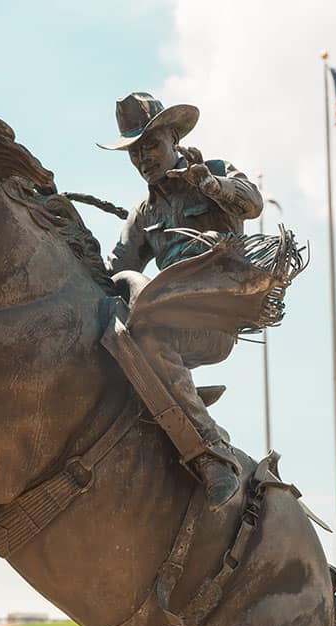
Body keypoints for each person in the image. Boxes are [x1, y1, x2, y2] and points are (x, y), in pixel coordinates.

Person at [98, 92, 263, 509]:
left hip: (214, 320)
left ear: (174, 139)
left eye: (151, 146)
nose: (143, 160)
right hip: (169, 320)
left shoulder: (215, 174)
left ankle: (213, 452)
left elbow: (252, 201)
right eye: (134, 153)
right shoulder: (143, 214)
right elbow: (114, 270)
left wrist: (209, 184)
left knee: (150, 336)